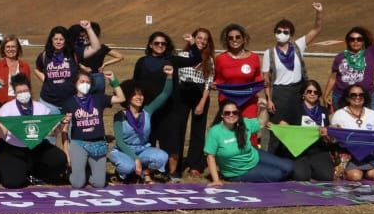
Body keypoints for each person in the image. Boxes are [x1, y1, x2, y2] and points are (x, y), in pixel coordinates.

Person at [0, 74, 68, 188]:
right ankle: (18, 171)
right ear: (15, 93)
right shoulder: (6, 109)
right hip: (13, 148)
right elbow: (0, 134)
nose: (23, 94)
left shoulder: (41, 108)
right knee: (13, 183)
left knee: (59, 159)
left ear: (30, 90)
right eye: (19, 92)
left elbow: (52, 132)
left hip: (36, 146)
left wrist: (61, 124)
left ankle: (35, 174)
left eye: (25, 90)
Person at [262, 3, 324, 125]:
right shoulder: (268, 53)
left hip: (298, 91)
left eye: (286, 32)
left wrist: (319, 13)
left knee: (297, 124)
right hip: (280, 94)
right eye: (279, 31)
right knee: (278, 126)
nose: (282, 34)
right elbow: (266, 80)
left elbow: (316, 29)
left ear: (291, 35)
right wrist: (269, 100)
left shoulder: (298, 46)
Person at [111, 67, 177, 183]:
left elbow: (165, 94)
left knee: (162, 157)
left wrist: (169, 76)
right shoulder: (119, 116)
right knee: (127, 167)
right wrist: (135, 158)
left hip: (142, 149)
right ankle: (125, 173)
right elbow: (120, 142)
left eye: (141, 95)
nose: (139, 97)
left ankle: (145, 173)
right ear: (127, 97)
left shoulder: (148, 111)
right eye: (135, 95)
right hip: (123, 150)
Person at [62, 69, 124, 188]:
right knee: (78, 184)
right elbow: (64, 131)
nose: (85, 84)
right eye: (82, 81)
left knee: (99, 183)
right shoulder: (69, 103)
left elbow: (121, 98)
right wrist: (67, 154)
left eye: (88, 82)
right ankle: (72, 174)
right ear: (75, 83)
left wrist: (113, 80)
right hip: (79, 143)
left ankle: (86, 171)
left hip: (98, 143)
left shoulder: (98, 98)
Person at [206, 100, 293, 184]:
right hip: (239, 172)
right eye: (227, 113)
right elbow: (210, 157)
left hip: (254, 155)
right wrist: (216, 180)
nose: (231, 115)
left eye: (234, 112)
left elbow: (261, 123)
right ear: (222, 115)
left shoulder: (244, 123)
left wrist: (263, 109)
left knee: (290, 167)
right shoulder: (215, 132)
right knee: (278, 174)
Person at [327, 8, 374, 113]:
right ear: (348, 42)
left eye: (359, 39)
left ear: (363, 41)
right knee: (342, 126)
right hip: (342, 96)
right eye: (352, 39)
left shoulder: (371, 53)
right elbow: (333, 78)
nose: (355, 41)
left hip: (367, 96)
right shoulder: (340, 57)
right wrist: (325, 96)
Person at [170, 28, 215, 177]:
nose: (201, 41)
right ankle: (177, 164)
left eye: (205, 39)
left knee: (198, 130)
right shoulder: (182, 55)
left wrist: (202, 102)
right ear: (193, 38)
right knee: (179, 128)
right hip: (183, 93)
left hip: (200, 94)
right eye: (199, 38)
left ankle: (195, 163)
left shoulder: (209, 59)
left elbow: (208, 82)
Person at [0, 35, 36, 161]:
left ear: (18, 48)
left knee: (18, 138)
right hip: (1, 107)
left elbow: (28, 89)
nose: (11, 49)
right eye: (8, 47)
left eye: (13, 46)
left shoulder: (24, 67)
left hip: (19, 107)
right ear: (3, 49)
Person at [329, 85, 374, 181]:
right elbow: (334, 140)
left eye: (361, 95)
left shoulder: (373, 114)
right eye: (353, 95)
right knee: (355, 176)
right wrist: (333, 132)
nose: (357, 97)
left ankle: (364, 171)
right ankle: (348, 171)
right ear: (347, 98)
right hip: (348, 155)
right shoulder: (339, 114)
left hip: (368, 153)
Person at [286, 80, 339, 182]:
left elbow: (328, 134)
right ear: (303, 94)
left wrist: (329, 132)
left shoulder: (324, 110)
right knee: (301, 177)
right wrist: (280, 126)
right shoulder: (295, 109)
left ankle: (312, 168)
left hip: (319, 149)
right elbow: (285, 126)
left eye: (316, 92)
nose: (312, 94)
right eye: (309, 91)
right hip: (300, 150)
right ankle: (304, 168)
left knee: (327, 176)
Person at [212, 24, 266, 121]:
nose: (234, 40)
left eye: (238, 37)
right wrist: (215, 85)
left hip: (249, 100)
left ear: (244, 39)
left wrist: (263, 82)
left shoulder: (254, 57)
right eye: (230, 38)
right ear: (227, 41)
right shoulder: (220, 59)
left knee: (249, 129)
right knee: (230, 131)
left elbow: (257, 77)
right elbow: (219, 79)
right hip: (228, 101)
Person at [36, 26, 78, 109]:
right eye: (56, 39)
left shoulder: (73, 54)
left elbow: (95, 48)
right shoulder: (44, 55)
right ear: (51, 40)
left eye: (61, 39)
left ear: (66, 40)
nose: (58, 42)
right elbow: (37, 69)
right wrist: (45, 79)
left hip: (71, 101)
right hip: (49, 103)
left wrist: (89, 28)